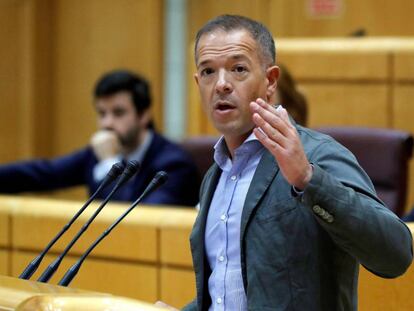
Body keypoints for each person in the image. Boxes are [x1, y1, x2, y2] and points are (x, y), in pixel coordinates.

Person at [182, 15, 413, 310]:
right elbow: (231, 292)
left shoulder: (317, 154)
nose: (221, 84)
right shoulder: (216, 173)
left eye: (238, 69)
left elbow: (396, 254)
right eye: (208, 72)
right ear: (198, 82)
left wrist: (308, 179)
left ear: (270, 80)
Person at [0, 70, 199, 206]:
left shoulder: (173, 166)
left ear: (144, 115)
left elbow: (132, 225)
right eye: (102, 113)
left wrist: (109, 163)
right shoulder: (100, 152)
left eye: (118, 113)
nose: (107, 124)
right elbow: (43, 173)